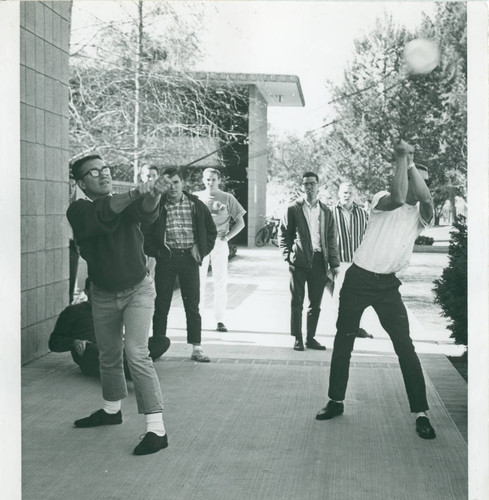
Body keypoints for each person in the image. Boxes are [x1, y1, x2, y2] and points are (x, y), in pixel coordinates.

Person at [316, 140, 437, 440]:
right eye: (411, 176)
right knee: (344, 341)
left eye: (420, 179)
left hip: (387, 286)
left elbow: (426, 199)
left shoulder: (423, 214)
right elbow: (398, 195)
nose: (416, 184)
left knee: (405, 347)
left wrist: (408, 161)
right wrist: (402, 159)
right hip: (358, 280)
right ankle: (336, 400)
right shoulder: (383, 197)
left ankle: (420, 413)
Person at [67, 153, 170, 456]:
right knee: (109, 356)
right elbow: (103, 213)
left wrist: (154, 194)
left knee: (136, 353)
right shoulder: (78, 209)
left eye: (106, 169)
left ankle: (156, 429)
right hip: (102, 294)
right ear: (81, 183)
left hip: (138, 290)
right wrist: (138, 191)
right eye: (94, 172)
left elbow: (147, 213)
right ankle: (112, 410)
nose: (103, 174)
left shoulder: (124, 202)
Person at [142, 167, 217, 362]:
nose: (173, 187)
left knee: (192, 305)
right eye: (169, 183)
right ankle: (157, 347)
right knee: (162, 305)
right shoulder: (158, 206)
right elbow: (145, 234)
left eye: (176, 182)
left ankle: (196, 347)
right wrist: (158, 252)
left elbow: (211, 232)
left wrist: (201, 250)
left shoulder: (196, 205)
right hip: (167, 259)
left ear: (182, 183)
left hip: (189, 260)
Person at [48, 279, 170, 378]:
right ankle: (134, 368)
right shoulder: (73, 311)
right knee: (104, 354)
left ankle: (131, 365)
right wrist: (74, 342)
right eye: (95, 290)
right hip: (90, 350)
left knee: (162, 341)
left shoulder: (112, 308)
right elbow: (53, 342)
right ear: (86, 292)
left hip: (118, 348)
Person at [278, 171, 340, 351]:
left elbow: (331, 239)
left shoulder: (326, 211)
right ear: (302, 186)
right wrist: (287, 254)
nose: (309, 187)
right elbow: (284, 233)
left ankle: (311, 337)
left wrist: (334, 264)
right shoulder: (293, 208)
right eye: (306, 184)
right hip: (298, 261)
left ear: (318, 186)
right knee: (297, 300)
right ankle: (297, 338)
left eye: (312, 183)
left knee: (316, 303)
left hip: (319, 261)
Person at [194, 168, 246, 332]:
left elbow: (240, 223)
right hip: (201, 243)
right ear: (203, 180)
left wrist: (227, 238)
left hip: (219, 242)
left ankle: (219, 319)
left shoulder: (227, 198)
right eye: (208, 179)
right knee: (198, 281)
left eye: (214, 179)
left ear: (219, 180)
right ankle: (197, 317)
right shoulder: (196, 197)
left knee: (220, 281)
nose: (210, 182)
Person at [332, 181, 372, 339]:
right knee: (339, 297)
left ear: (354, 195)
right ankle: (344, 327)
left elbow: (369, 236)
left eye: (350, 193)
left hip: (358, 263)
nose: (347, 196)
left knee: (358, 298)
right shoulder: (329, 213)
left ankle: (355, 327)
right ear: (338, 194)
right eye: (344, 193)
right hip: (338, 262)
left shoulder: (363, 214)